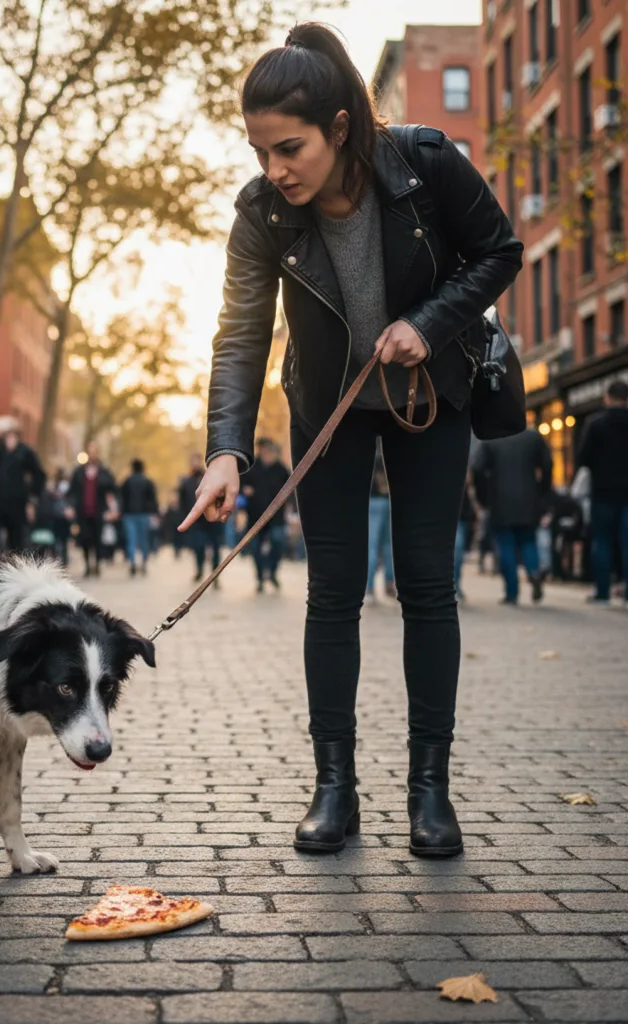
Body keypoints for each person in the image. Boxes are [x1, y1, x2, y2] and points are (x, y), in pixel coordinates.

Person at [180, 23, 523, 858]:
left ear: (339, 128)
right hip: (327, 407)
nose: (274, 169)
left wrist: (428, 323)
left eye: (288, 148)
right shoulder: (262, 210)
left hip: (429, 395)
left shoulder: (425, 162)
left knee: (427, 585)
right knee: (331, 591)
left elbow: (499, 251)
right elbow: (240, 333)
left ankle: (430, 792)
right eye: (260, 151)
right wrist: (224, 450)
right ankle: (334, 788)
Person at [473, 429, 551, 606]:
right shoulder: (533, 437)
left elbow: (477, 469)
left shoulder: (490, 438)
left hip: (500, 501)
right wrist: (542, 491)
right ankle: (534, 571)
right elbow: (547, 465)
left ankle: (512, 592)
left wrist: (483, 497)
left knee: (505, 545)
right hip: (529, 499)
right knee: (528, 541)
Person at [576, 380, 628, 607]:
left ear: (607, 397)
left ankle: (603, 592)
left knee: (602, 541)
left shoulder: (596, 424)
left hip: (603, 491)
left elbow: (583, 458)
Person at [0, 420, 46, 554]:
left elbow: (39, 476)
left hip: (17, 505)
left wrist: (32, 500)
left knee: (17, 543)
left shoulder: (25, 453)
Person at [243, 437, 291, 592]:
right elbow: (240, 485)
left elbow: (291, 490)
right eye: (261, 448)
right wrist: (245, 490)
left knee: (278, 542)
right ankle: (260, 577)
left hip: (276, 516)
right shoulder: (251, 467)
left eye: (267, 448)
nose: (264, 451)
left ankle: (272, 571)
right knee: (255, 548)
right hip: (255, 515)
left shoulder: (281, 469)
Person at [68, 442, 118, 577]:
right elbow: (72, 492)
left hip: (99, 512)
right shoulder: (79, 472)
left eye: (94, 451)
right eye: (90, 451)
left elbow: (113, 491)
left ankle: (96, 564)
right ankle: (87, 565)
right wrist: (70, 507)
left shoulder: (105, 472)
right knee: (85, 538)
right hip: (83, 512)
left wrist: (113, 510)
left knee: (97, 539)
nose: (92, 454)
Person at [179, 452, 223, 586]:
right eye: (192, 461)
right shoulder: (186, 482)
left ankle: (215, 575)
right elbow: (183, 502)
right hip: (197, 521)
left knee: (215, 548)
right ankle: (199, 570)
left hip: (213, 520)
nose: (195, 464)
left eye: (197, 461)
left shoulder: (211, 478)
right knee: (198, 547)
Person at [365, 444, 394, 602]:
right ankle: (390, 583)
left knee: (372, 545)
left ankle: (369, 587)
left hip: (373, 501)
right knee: (389, 545)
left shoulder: (372, 457)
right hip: (388, 501)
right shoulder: (388, 455)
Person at [121, 458, 159, 576]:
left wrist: (122, 512)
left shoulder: (127, 481)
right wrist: (155, 512)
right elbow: (153, 499)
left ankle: (132, 562)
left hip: (129, 514)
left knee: (131, 540)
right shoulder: (147, 481)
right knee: (144, 540)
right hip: (144, 514)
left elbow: (122, 498)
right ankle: (144, 562)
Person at [453, 470, 477, 603]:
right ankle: (454, 585)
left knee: (457, 552)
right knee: (457, 552)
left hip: (459, 516)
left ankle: (455, 584)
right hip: (456, 516)